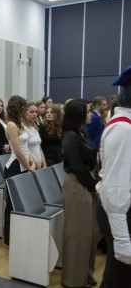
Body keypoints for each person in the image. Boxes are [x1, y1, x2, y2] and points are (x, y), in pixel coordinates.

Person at [97, 66, 131, 287]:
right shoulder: (124, 129)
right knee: (119, 278)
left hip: (122, 210)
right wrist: (122, 240)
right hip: (122, 214)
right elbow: (116, 187)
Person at [61, 99, 99, 288]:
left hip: (85, 183)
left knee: (89, 234)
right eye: (88, 112)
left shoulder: (80, 133)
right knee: (77, 234)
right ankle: (73, 279)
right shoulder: (70, 137)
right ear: (79, 114)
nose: (91, 115)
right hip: (77, 184)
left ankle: (86, 273)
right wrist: (94, 187)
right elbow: (77, 166)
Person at [3, 95, 35, 247]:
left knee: (20, 203)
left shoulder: (20, 123)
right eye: (23, 107)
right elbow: (17, 151)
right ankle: (8, 239)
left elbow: (26, 147)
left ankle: (18, 234)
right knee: (11, 205)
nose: (25, 110)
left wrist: (33, 161)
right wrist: (29, 167)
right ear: (18, 108)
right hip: (14, 167)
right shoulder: (11, 125)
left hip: (24, 165)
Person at [24, 102, 46, 169]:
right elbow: (25, 148)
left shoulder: (35, 127)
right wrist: (32, 163)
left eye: (36, 112)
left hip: (39, 166)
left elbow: (39, 147)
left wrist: (44, 164)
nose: (34, 114)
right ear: (25, 113)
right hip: (30, 166)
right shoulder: (24, 128)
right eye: (31, 112)